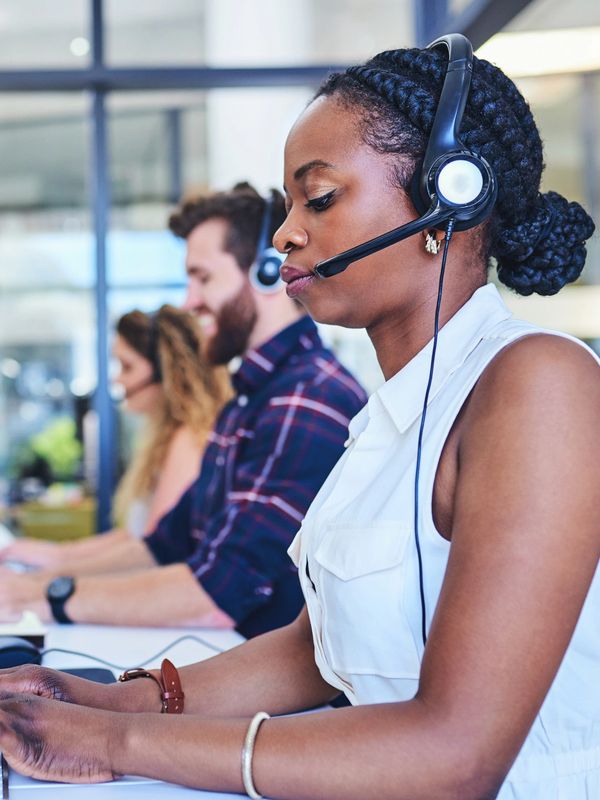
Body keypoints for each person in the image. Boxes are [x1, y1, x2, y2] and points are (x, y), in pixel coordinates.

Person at [0, 36, 598, 800]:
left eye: (318, 198)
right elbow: (317, 650)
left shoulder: (538, 383)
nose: (284, 234)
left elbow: (457, 753)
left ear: (450, 199)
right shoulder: (389, 418)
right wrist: (117, 697)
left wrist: (119, 741)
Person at [0, 183, 366, 637]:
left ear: (268, 273)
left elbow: (215, 598)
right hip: (229, 664)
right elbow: (163, 545)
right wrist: (41, 575)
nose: (190, 301)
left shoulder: (305, 399)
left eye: (203, 277)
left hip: (274, 694)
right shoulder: (253, 399)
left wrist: (42, 596)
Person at [112, 304, 232, 537]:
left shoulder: (189, 441)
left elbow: (152, 552)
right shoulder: (167, 435)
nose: (118, 379)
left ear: (165, 372)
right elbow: (134, 540)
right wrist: (58, 556)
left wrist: (58, 563)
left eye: (127, 367)